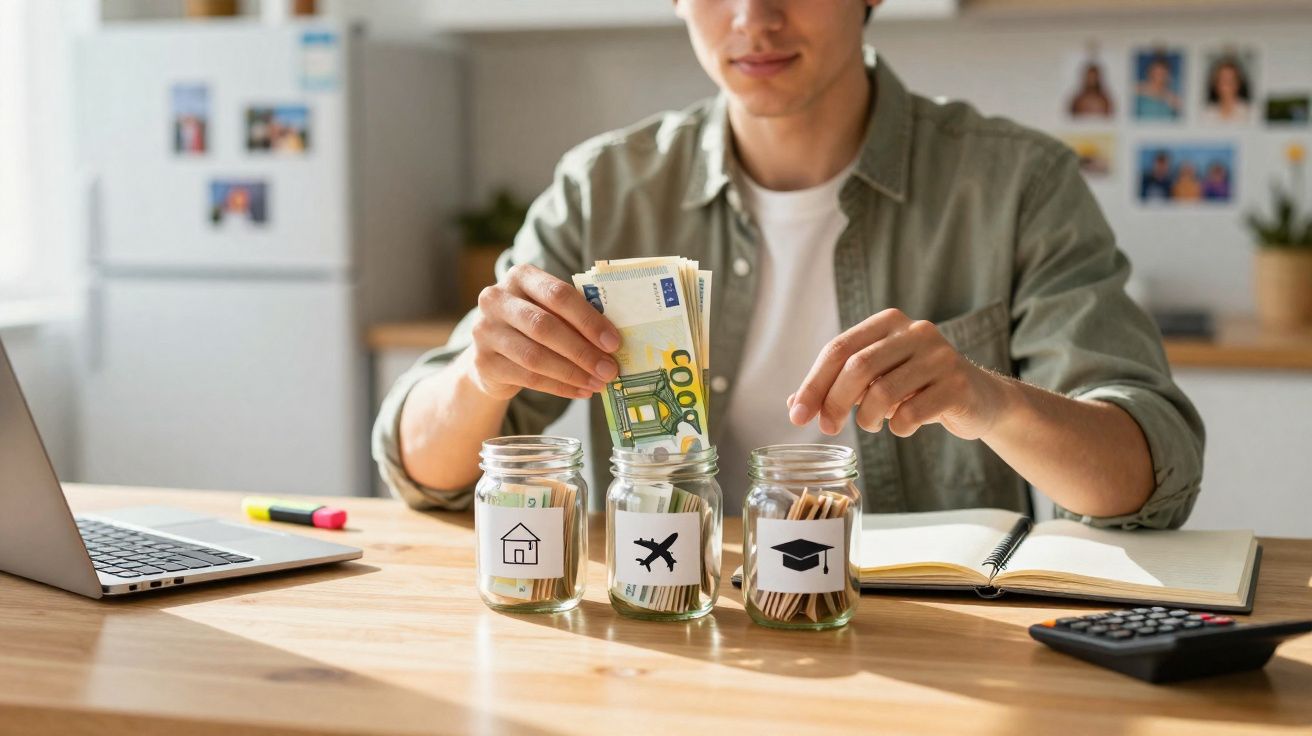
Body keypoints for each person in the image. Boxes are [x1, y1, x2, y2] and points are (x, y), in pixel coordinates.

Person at [374, 0, 1204, 530]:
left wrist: (987, 400)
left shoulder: (1016, 184)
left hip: (936, 647)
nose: (753, 18)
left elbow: (1149, 476)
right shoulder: (604, 190)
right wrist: (481, 378)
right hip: (672, 620)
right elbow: (425, 476)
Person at [1202, 56, 1251, 124]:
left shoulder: (1250, 113)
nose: (1228, 85)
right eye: (1223, 80)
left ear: (1239, 83)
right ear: (1215, 84)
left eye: (1231, 80)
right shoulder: (1206, 114)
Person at [1134, 53, 1182, 121]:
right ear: (1150, 73)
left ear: (1168, 75)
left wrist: (1164, 95)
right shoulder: (1138, 88)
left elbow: (1181, 108)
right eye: (1156, 73)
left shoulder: (1172, 96)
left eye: (1162, 74)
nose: (1158, 77)